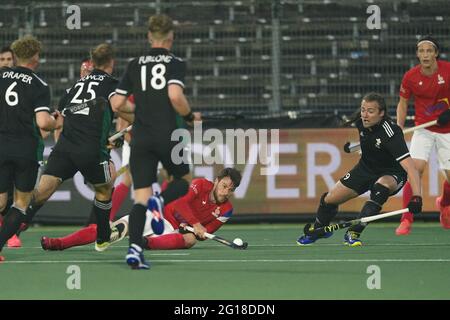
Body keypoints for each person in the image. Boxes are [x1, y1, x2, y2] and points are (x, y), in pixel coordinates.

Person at [111, 14, 201, 269]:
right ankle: (160, 202)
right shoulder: (175, 62)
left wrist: (138, 112)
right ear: (171, 38)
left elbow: (116, 103)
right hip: (167, 134)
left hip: (140, 136)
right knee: (184, 181)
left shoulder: (134, 63)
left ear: (149, 37)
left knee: (140, 197)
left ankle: (134, 250)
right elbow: (175, 95)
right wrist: (188, 115)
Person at [23, 43, 120, 252]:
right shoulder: (112, 85)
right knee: (105, 187)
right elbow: (119, 106)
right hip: (90, 149)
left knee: (41, 192)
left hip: (65, 147)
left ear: (92, 63)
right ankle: (102, 238)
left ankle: (14, 225)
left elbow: (59, 121)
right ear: (112, 62)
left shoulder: (73, 88)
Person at [297, 93, 423, 247]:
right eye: (363, 110)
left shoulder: (391, 132)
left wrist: (417, 196)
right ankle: (319, 229)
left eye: (370, 111)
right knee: (329, 199)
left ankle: (354, 232)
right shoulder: (361, 122)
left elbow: (411, 167)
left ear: (381, 113)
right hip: (365, 168)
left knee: (380, 188)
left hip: (392, 173)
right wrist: (354, 146)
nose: (365, 115)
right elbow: (371, 140)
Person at [42, 168, 241, 252]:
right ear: (216, 181)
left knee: (190, 241)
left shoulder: (227, 210)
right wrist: (196, 224)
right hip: (158, 216)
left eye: (230, 190)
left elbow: (207, 232)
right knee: (110, 231)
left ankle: (145, 243)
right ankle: (59, 243)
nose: (225, 192)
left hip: (175, 231)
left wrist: (200, 233)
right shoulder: (200, 184)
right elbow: (181, 203)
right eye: (224, 185)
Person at [0, 36, 61, 261]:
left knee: (0, 201)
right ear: (36, 57)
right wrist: (56, 120)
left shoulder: (1, 76)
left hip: (1, 145)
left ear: (15, 56)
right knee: (21, 204)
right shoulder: (39, 85)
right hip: (25, 149)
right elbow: (43, 122)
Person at [396, 35, 450, 235]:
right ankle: (406, 219)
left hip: (448, 129)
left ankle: (444, 204)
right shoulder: (410, 76)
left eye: (429, 51)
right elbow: (403, 103)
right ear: (417, 54)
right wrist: (398, 128)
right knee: (415, 169)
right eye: (422, 51)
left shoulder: (448, 70)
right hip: (424, 128)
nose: (425, 54)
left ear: (436, 53)